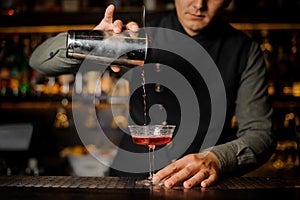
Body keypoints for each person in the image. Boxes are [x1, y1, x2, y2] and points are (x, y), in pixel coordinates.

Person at [29, 1, 276, 189]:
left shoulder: (244, 50)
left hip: (200, 186)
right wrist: (95, 40)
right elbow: (40, 61)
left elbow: (260, 134)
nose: (199, 4)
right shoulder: (140, 34)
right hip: (130, 182)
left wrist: (217, 159)